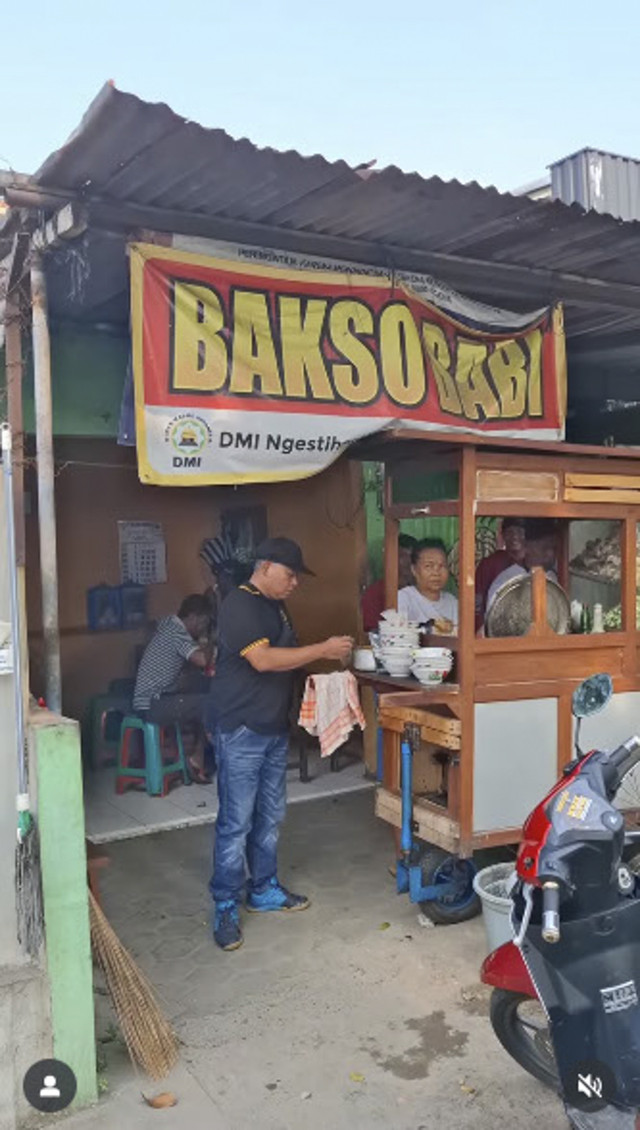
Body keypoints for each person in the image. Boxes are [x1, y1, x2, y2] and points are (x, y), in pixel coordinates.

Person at [207, 536, 353, 952]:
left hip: (272, 728)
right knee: (236, 821)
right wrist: (323, 649)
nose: (295, 583)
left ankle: (263, 888)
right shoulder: (239, 604)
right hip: (241, 728)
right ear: (266, 566)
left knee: (270, 816)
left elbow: (287, 657)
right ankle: (225, 904)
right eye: (290, 575)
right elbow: (264, 660)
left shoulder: (274, 606)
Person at [133, 594, 214, 781]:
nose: (202, 628)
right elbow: (202, 660)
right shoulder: (177, 632)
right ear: (192, 616)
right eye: (203, 623)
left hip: (149, 702)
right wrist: (209, 641)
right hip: (152, 704)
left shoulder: (168, 625)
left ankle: (196, 758)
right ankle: (198, 759)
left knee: (201, 697)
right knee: (208, 703)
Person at [485, 519, 559, 617]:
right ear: (527, 547)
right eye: (545, 548)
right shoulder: (505, 582)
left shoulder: (554, 577)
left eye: (554, 548)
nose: (551, 554)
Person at [397, 538, 458, 634]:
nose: (436, 573)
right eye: (428, 566)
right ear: (414, 570)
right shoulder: (404, 598)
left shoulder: (452, 602)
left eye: (442, 566)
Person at [474, 517, 526, 630]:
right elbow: (478, 602)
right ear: (503, 535)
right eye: (510, 532)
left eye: (520, 532)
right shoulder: (490, 564)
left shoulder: (534, 562)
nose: (515, 536)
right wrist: (481, 630)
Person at [361, 533, 418, 632]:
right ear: (389, 559)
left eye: (412, 557)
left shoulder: (423, 591)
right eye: (402, 556)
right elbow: (371, 631)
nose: (408, 561)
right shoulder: (375, 593)